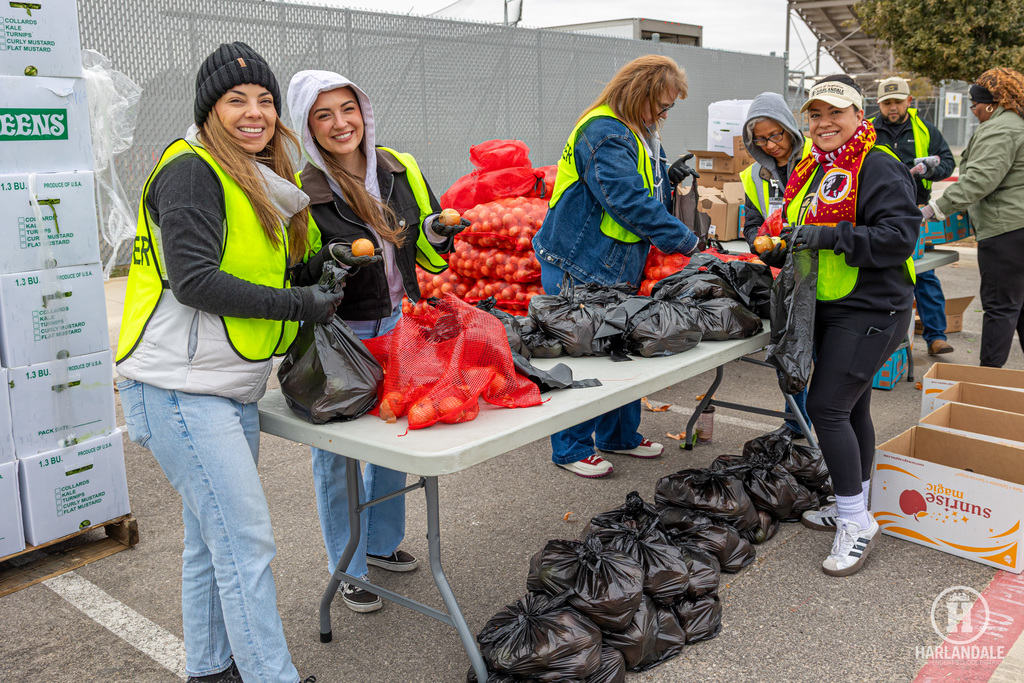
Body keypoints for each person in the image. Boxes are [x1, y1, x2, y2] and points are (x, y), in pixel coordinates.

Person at [115, 43, 325, 683]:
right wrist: (299, 303)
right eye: (237, 100)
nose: (254, 112)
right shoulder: (191, 171)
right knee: (246, 544)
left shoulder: (256, 180)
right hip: (179, 391)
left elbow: (272, 266)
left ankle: (209, 669)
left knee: (212, 546)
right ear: (209, 110)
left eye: (264, 100)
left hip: (222, 387)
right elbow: (195, 281)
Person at [287, 70, 465, 612]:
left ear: (364, 110)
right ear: (308, 127)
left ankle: (383, 545)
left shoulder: (398, 167)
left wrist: (438, 231)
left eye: (348, 109)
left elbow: (427, 251)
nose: (341, 123)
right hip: (339, 334)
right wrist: (333, 264)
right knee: (337, 456)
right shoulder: (301, 191)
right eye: (324, 115)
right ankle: (348, 566)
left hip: (397, 321)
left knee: (390, 441)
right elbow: (296, 276)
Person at [532, 55, 701, 479]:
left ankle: (619, 436)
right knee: (584, 357)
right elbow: (625, 201)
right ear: (636, 93)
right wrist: (686, 241)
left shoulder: (636, 128)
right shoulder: (604, 132)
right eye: (660, 105)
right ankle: (570, 447)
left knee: (620, 350)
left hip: (616, 263)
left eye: (669, 108)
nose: (663, 114)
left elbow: (647, 190)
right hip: (580, 263)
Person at [783, 75, 919, 576]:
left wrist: (825, 236)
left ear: (859, 117)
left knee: (826, 407)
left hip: (871, 308)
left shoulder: (878, 164)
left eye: (835, 113)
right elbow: (803, 228)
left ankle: (854, 522)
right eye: (815, 115)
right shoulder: (815, 167)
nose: (824, 123)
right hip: (831, 305)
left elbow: (898, 239)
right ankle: (856, 506)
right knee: (852, 406)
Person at [927, 68, 1024, 369]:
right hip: (1018, 226)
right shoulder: (1018, 123)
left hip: (1005, 229)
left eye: (975, 104)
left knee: (999, 308)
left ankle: (987, 380)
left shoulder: (1000, 129)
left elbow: (982, 178)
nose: (973, 110)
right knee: (1018, 307)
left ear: (992, 103)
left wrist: (936, 209)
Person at [739, 91, 814, 440]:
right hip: (783, 276)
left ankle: (815, 426)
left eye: (776, 135)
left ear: (789, 127)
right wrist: (759, 241)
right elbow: (752, 221)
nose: (770, 145)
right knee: (792, 352)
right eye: (760, 139)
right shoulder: (754, 175)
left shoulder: (820, 159)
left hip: (820, 269)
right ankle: (795, 427)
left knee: (820, 357)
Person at [870, 76, 956, 356]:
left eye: (897, 102)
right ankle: (879, 340)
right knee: (879, 273)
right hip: (875, 212)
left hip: (915, 211)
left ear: (909, 101)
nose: (891, 108)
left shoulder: (925, 130)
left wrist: (932, 169)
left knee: (924, 272)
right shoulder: (868, 130)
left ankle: (936, 337)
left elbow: (947, 161)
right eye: (886, 103)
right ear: (879, 104)